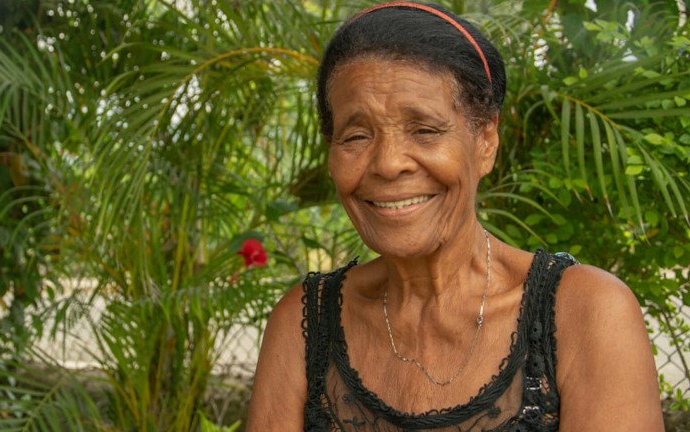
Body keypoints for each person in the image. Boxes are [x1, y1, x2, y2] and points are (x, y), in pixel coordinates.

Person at [247, 2, 664, 430]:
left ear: (486, 141)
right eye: (356, 135)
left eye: (425, 130)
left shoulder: (585, 313)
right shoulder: (303, 325)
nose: (389, 164)